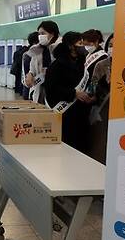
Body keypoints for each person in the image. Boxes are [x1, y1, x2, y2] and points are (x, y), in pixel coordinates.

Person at [44, 31, 95, 154]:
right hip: (65, 112)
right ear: (70, 46)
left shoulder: (81, 63)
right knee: (68, 146)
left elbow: (86, 82)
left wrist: (90, 95)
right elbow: (52, 88)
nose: (83, 46)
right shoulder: (57, 65)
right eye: (80, 43)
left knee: (81, 145)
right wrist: (74, 93)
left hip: (81, 111)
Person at [88, 34, 113, 164]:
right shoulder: (101, 65)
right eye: (110, 45)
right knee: (101, 142)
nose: (112, 48)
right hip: (102, 108)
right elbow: (93, 86)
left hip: (119, 112)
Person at [25, 21, 61, 104]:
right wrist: (30, 74)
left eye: (43, 33)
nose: (40, 36)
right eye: (39, 34)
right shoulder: (36, 50)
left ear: (52, 34)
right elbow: (32, 69)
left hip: (55, 91)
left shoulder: (60, 48)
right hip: (39, 89)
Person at [81, 29, 109, 97]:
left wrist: (91, 92)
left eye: (88, 44)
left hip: (95, 92)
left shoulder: (103, 57)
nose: (86, 47)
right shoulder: (88, 54)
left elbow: (99, 78)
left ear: (96, 42)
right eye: (84, 45)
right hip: (84, 89)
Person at [11, 32, 38, 97]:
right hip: (31, 88)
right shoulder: (29, 54)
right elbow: (28, 72)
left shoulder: (27, 53)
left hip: (28, 86)